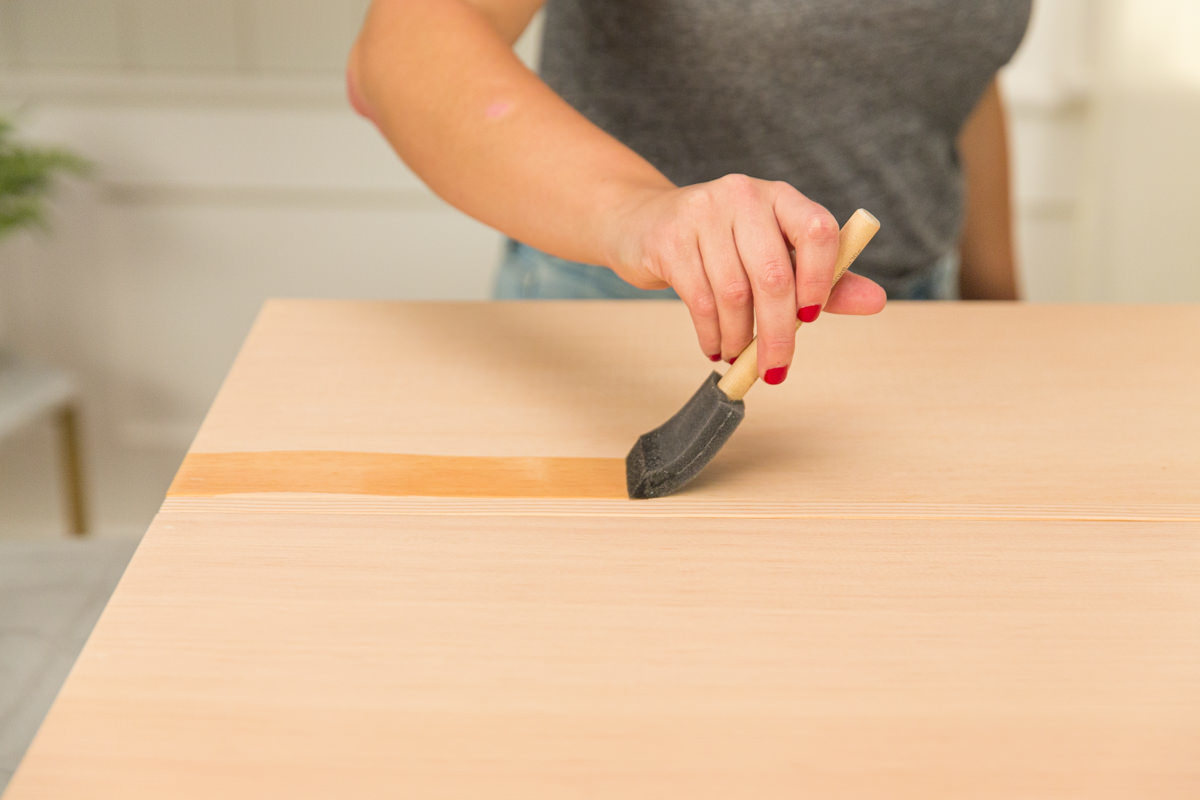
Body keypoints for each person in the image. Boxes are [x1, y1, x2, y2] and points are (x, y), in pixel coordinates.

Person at [347, 1, 1030, 385]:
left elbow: (939, 74)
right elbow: (405, 46)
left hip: (913, 329)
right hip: (631, 333)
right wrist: (639, 213)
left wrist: (998, 307)